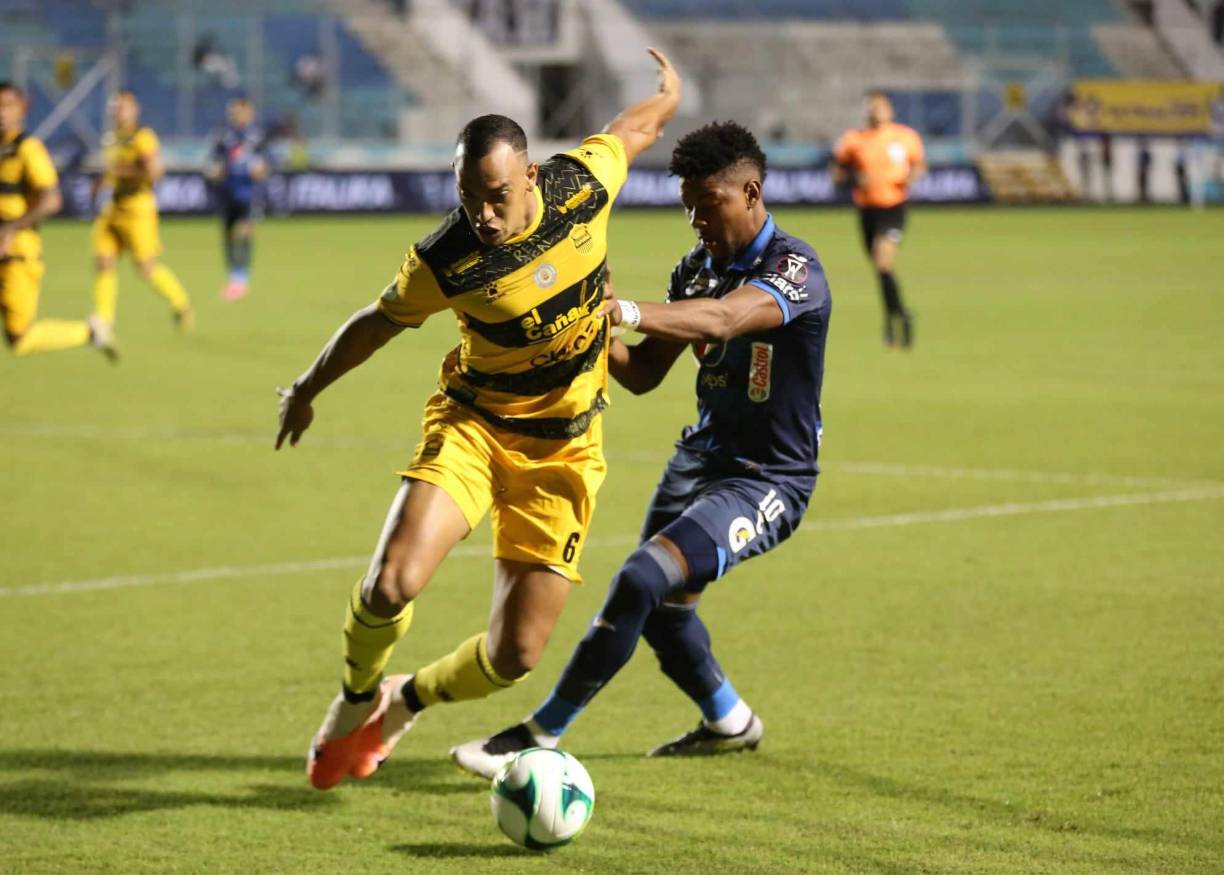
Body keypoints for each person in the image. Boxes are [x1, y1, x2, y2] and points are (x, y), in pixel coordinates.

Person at [275, 48, 681, 792]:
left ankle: (407, 699)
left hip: (564, 450)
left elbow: (631, 132)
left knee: (516, 654)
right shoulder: (447, 257)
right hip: (476, 427)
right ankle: (358, 691)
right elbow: (378, 320)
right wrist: (307, 386)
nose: (483, 216)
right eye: (468, 198)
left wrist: (669, 94)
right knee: (391, 583)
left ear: (530, 176)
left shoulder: (583, 185)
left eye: (495, 195)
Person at [451, 120, 831, 777]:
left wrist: (624, 310)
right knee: (660, 609)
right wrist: (583, 324)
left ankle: (539, 734)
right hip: (701, 459)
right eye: (687, 207)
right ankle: (730, 721)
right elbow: (646, 373)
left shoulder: (794, 268)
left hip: (769, 476)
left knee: (642, 578)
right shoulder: (695, 269)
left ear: (751, 190)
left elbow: (722, 319)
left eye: (707, 205)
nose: (696, 221)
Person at [0, 81, 112, 358]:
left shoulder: (27, 149)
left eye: (7, 106)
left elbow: (52, 200)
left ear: (22, 109)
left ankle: (90, 333)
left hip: (17, 254)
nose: (1, 112)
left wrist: (11, 228)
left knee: (20, 338)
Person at [91, 90, 194, 336]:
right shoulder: (113, 138)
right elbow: (112, 171)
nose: (119, 111)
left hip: (138, 208)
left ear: (135, 110)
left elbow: (154, 172)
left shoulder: (143, 138)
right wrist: (101, 183)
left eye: (124, 107)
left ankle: (181, 303)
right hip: (114, 207)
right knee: (104, 260)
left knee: (145, 267)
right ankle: (104, 320)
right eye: (116, 107)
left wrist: (120, 172)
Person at [833, 90, 923, 348]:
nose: (876, 111)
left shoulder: (905, 137)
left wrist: (910, 178)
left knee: (883, 262)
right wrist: (854, 179)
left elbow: (918, 165)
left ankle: (900, 317)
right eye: (872, 107)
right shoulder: (854, 140)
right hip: (866, 211)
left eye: (881, 106)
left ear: (890, 110)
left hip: (893, 207)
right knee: (879, 269)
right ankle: (893, 318)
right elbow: (837, 173)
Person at [206, 96, 267, 301]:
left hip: (248, 193)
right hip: (227, 191)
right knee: (228, 233)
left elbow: (265, 164)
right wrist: (215, 172)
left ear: (249, 112)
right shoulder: (223, 135)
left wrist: (259, 171)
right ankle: (233, 275)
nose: (237, 114)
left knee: (245, 231)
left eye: (241, 110)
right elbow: (214, 162)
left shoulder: (257, 136)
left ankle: (241, 277)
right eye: (234, 110)